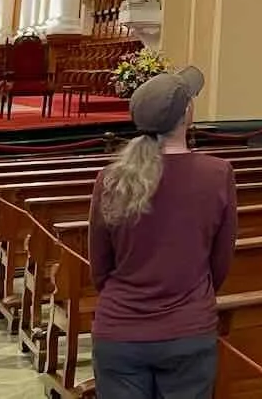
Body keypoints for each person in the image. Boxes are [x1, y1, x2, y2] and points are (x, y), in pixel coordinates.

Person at [89, 67, 236, 398]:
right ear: (187, 114)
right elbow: (221, 261)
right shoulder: (217, 174)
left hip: (119, 329)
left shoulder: (110, 179)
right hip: (188, 329)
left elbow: (99, 265)